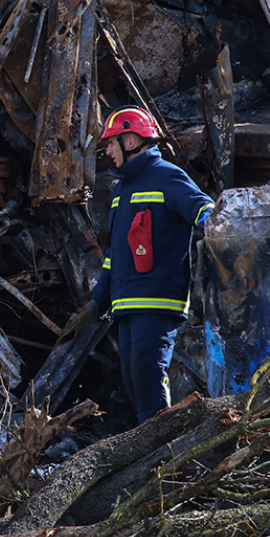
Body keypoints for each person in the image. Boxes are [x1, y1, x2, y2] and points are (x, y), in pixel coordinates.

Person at [92, 106, 214, 424]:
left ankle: (161, 446)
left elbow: (203, 209)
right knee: (132, 376)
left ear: (131, 140)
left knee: (148, 370)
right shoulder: (120, 190)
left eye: (111, 143)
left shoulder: (166, 175)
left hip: (158, 296)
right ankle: (148, 442)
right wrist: (100, 294)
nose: (107, 151)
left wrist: (225, 229)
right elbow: (114, 252)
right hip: (125, 299)